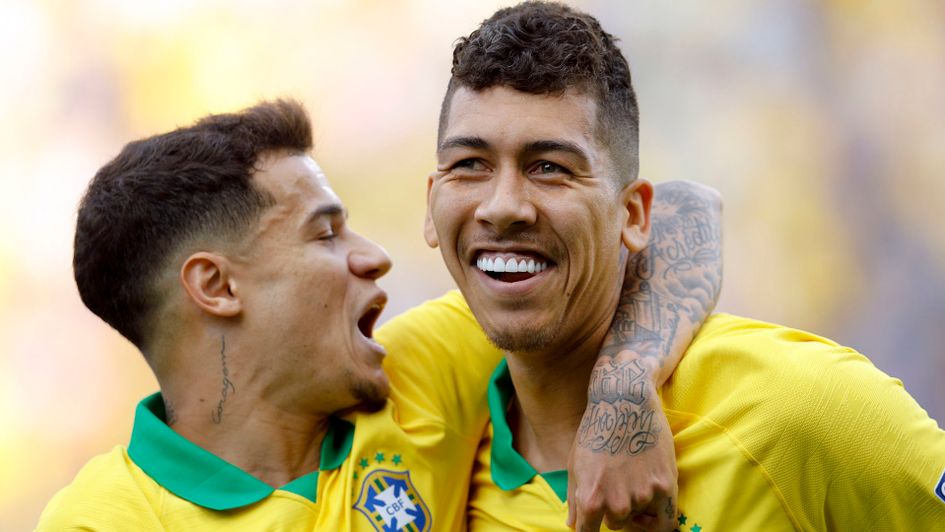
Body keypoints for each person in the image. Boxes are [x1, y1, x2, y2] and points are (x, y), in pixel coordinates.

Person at [37, 99, 719, 530]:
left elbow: (677, 215)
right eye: (325, 234)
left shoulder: (420, 372)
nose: (374, 258)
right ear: (216, 286)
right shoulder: (103, 519)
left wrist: (623, 387)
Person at [423, 2, 945, 530]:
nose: (503, 205)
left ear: (633, 214)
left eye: (550, 167)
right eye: (470, 165)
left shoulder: (798, 408)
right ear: (430, 203)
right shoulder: (435, 437)